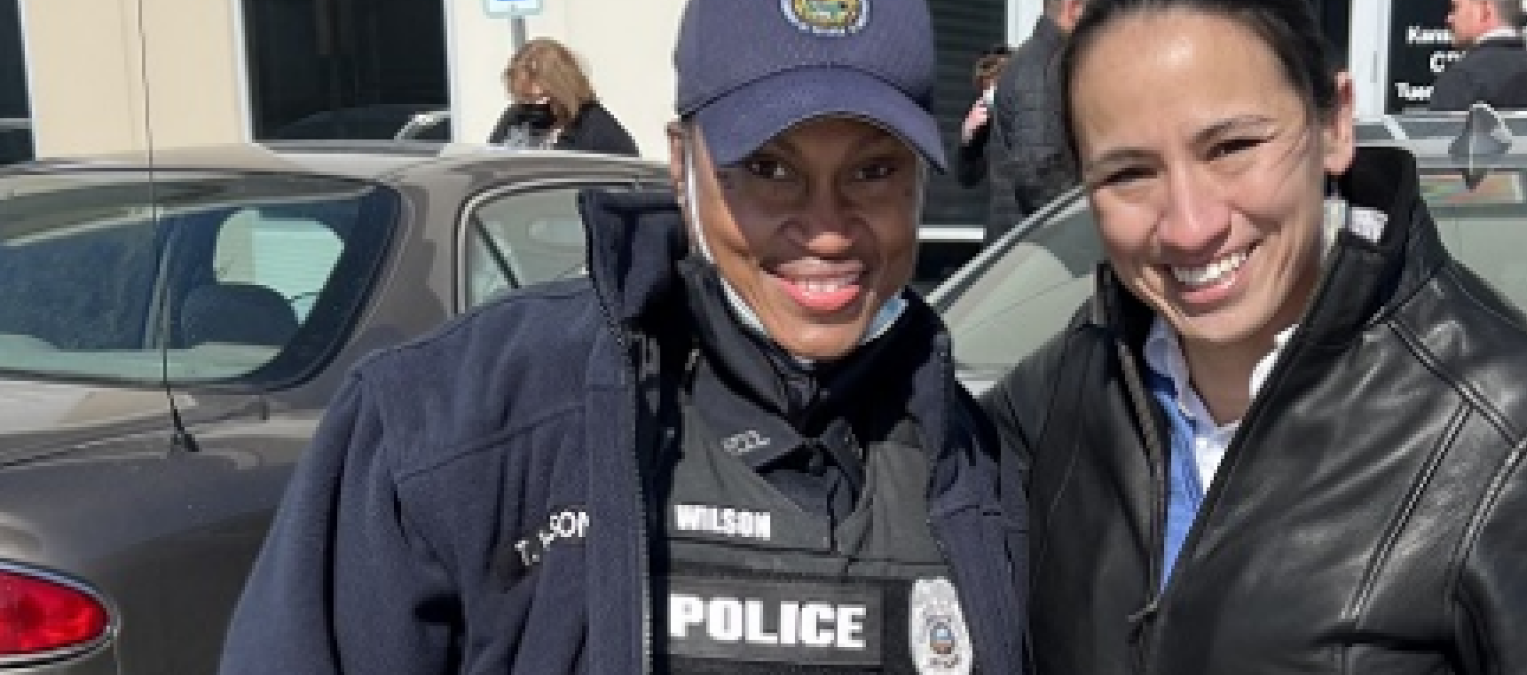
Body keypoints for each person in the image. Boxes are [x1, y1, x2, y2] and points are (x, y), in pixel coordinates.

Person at [218, 0, 1026, 672]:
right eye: (769, 168)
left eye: (873, 169)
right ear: (681, 167)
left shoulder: (981, 467)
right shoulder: (448, 431)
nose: (824, 227)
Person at [984, 0, 1527, 672]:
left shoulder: (1515, 429)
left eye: (1233, 147)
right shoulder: (1058, 395)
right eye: (1129, 172)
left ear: (1335, 124)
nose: (1190, 225)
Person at [983, 0, 1084, 243]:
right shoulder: (1044, 66)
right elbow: (1039, 172)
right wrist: (1085, 229)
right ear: (1074, 8)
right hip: (1034, 250)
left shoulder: (1038, 60)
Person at [486, 37, 640, 156]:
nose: (533, 107)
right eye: (524, 99)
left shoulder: (596, 131)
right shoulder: (515, 117)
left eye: (542, 98)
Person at [1429, 0, 1527, 111]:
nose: (1449, 19)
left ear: (1484, 10)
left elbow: (1439, 147)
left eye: (1455, 8)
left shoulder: (1462, 79)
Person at [955, 44, 1012, 191]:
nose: (992, 93)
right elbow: (967, 178)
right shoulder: (980, 114)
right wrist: (967, 140)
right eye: (987, 87)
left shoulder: (1029, 108)